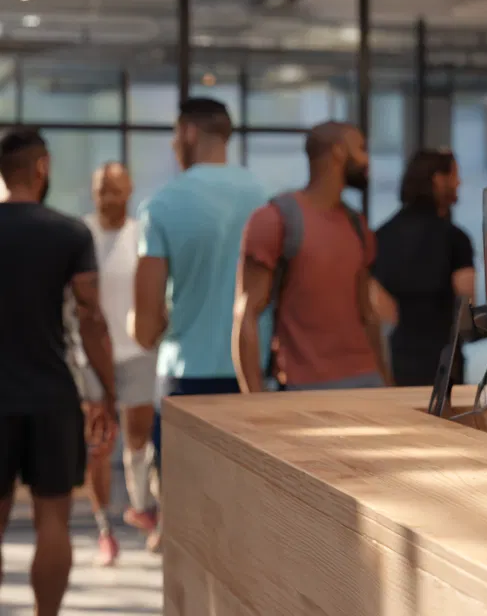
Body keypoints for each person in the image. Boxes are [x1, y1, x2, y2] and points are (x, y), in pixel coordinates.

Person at [136, 98, 270, 552]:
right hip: (252, 374)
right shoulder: (263, 198)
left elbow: (146, 323)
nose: (174, 144)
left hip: (185, 377)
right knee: (245, 515)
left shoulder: (163, 204)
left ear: (189, 132)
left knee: (184, 522)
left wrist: (152, 323)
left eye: (175, 135)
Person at [0, 128, 118, 616]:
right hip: (51, 395)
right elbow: (90, 319)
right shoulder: (69, 232)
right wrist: (108, 393)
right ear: (42, 167)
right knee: (53, 517)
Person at [236, 121, 391, 392]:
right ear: (339, 152)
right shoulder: (275, 220)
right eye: (361, 149)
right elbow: (246, 313)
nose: (367, 160)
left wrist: (387, 384)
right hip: (304, 386)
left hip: (367, 381)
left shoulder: (357, 225)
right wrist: (254, 399)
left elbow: (368, 313)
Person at [72, 163, 158, 566]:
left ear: (130, 191)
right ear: (92, 192)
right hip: (92, 359)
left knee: (138, 440)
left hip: (138, 353)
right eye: (101, 189)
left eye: (115, 189)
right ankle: (105, 530)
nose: (107, 197)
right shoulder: (79, 235)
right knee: (99, 447)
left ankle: (142, 508)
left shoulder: (141, 234)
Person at [372, 149, 476, 387]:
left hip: (397, 360)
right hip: (444, 361)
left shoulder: (381, 236)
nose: (459, 182)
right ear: (438, 179)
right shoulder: (454, 238)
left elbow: (378, 307)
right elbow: (466, 304)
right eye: (454, 175)